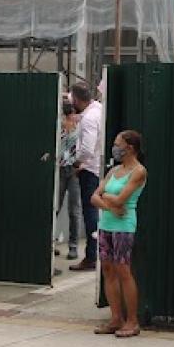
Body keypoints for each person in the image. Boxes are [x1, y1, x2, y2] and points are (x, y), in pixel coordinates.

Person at [92, 130, 148, 338]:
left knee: (123, 270)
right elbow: (93, 198)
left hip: (124, 226)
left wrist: (105, 197)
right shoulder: (114, 170)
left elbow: (121, 200)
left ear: (130, 148)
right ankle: (116, 318)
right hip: (107, 223)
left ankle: (132, 321)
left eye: (117, 144)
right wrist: (109, 205)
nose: (114, 147)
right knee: (108, 269)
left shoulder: (138, 172)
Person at [69, 82, 103, 271]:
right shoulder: (98, 110)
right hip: (97, 168)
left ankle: (91, 256)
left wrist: (77, 162)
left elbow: (87, 149)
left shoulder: (89, 118)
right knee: (94, 212)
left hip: (89, 170)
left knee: (90, 213)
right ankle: (94, 254)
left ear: (76, 99)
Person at [56, 100, 84, 264]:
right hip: (60, 169)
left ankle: (73, 246)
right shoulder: (59, 126)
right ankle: (52, 244)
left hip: (74, 170)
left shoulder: (80, 127)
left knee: (74, 209)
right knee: (55, 208)